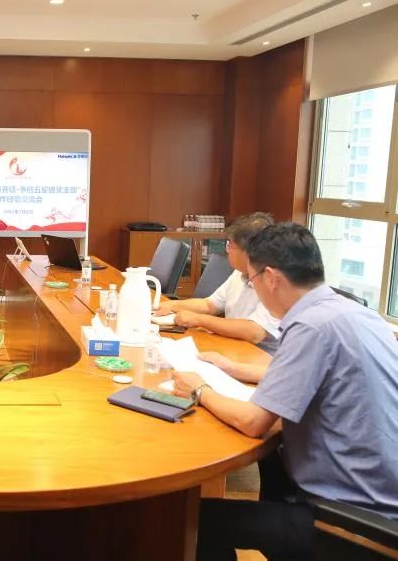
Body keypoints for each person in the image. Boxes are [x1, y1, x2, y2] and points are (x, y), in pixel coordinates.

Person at [171, 223, 398, 561]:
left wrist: (199, 389)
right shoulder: (355, 314)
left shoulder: (309, 326)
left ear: (271, 278)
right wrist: (235, 369)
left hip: (354, 521)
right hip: (383, 500)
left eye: (252, 281)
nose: (254, 288)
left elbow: (253, 422)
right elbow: (317, 375)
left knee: (194, 522)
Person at [154, 212, 280, 364]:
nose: (227, 250)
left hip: (259, 359)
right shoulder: (239, 273)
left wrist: (199, 320)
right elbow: (210, 305)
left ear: (248, 252)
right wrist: (172, 305)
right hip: (232, 347)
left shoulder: (272, 281)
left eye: (230, 245)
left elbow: (254, 332)